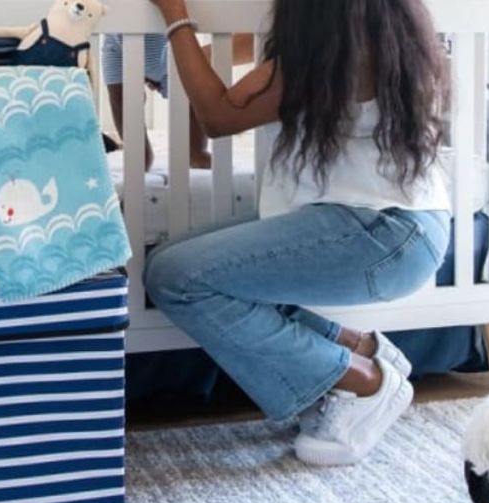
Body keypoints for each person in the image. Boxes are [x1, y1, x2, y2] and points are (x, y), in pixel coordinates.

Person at [144, 0, 452, 465]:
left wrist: (175, 16)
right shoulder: (378, 29)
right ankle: (363, 351)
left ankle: (362, 381)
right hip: (396, 225)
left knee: (176, 277)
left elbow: (218, 116)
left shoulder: (339, 53)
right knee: (173, 260)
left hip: (382, 231)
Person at [101, 34, 253, 170]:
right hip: (116, 45)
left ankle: (196, 151)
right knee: (121, 102)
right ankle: (138, 153)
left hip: (163, 48)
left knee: (190, 97)